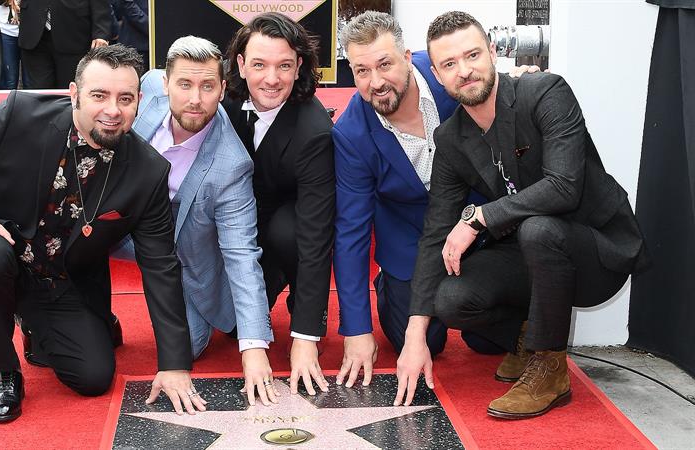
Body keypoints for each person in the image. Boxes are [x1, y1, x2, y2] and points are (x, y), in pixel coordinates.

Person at [0, 45, 203, 423]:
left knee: (93, 377)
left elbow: (160, 265)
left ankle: (37, 326)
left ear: (139, 101)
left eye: (125, 98)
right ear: (74, 93)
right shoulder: (22, 114)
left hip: (59, 281)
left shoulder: (148, 170)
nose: (112, 110)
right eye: (99, 95)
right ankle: (6, 371)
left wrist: (174, 364)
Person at [395, 11, 649, 419]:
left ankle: (550, 368)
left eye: (472, 55)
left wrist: (478, 217)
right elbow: (435, 232)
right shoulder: (452, 139)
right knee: (452, 298)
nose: (465, 70)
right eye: (449, 64)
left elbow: (564, 187)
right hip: (533, 254)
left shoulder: (545, 92)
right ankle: (527, 339)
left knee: (538, 228)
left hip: (596, 252)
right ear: (438, 77)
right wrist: (415, 331)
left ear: (493, 52)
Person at [332, 11, 505, 388]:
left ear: (408, 57)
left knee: (487, 340)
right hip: (409, 238)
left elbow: (497, 96)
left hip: (477, 228)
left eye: (385, 64)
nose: (376, 82)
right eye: (362, 71)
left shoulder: (449, 76)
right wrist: (357, 330)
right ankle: (391, 285)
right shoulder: (350, 133)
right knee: (425, 340)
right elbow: (351, 231)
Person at [111, 36, 278, 406]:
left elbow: (241, 252)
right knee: (77, 223)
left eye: (207, 86)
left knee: (186, 346)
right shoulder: (147, 89)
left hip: (178, 250)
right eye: (184, 84)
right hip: (118, 223)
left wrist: (253, 347)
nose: (195, 99)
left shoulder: (231, 165)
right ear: (165, 83)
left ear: (222, 89)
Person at [223, 12, 335, 395]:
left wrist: (305, 336)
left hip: (289, 232)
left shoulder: (314, 130)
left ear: (299, 65)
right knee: (229, 329)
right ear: (240, 64)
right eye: (259, 65)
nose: (271, 79)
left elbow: (317, 236)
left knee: (290, 230)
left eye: (284, 66)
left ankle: (293, 302)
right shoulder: (223, 101)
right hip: (237, 227)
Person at [18, 0, 111, 88]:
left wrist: (101, 33)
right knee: (40, 91)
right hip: (34, 33)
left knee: (69, 89)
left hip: (74, 36)